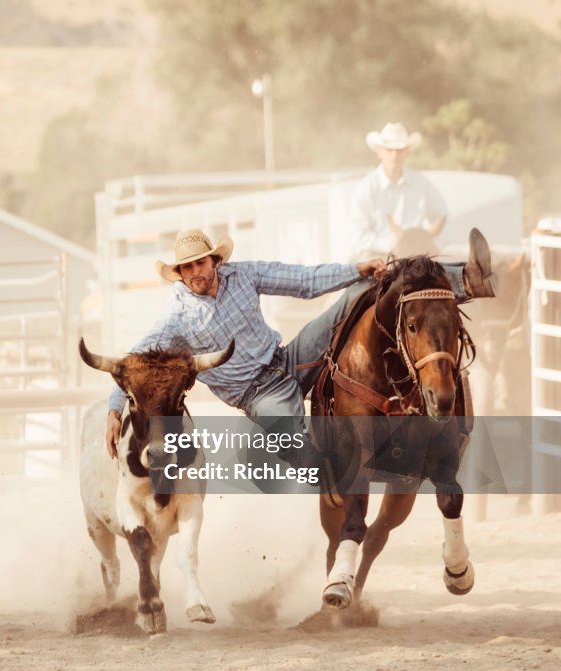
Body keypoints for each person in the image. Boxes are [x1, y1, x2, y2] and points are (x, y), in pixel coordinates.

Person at [103, 228, 497, 486]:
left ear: (214, 261)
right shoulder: (176, 316)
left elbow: (303, 281)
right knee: (295, 436)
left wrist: (353, 270)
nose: (195, 272)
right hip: (256, 394)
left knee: (359, 289)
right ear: (180, 274)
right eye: (186, 267)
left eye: (200, 262)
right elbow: (135, 363)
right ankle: (331, 484)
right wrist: (115, 408)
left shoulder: (243, 275)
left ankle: (466, 279)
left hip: (287, 361)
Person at [350, 122, 449, 258]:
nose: (394, 156)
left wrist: (427, 240)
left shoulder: (421, 183)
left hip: (418, 255)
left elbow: (441, 214)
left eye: (400, 150)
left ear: (407, 152)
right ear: (380, 152)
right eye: (389, 150)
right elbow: (358, 235)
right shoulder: (365, 189)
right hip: (379, 257)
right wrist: (392, 245)